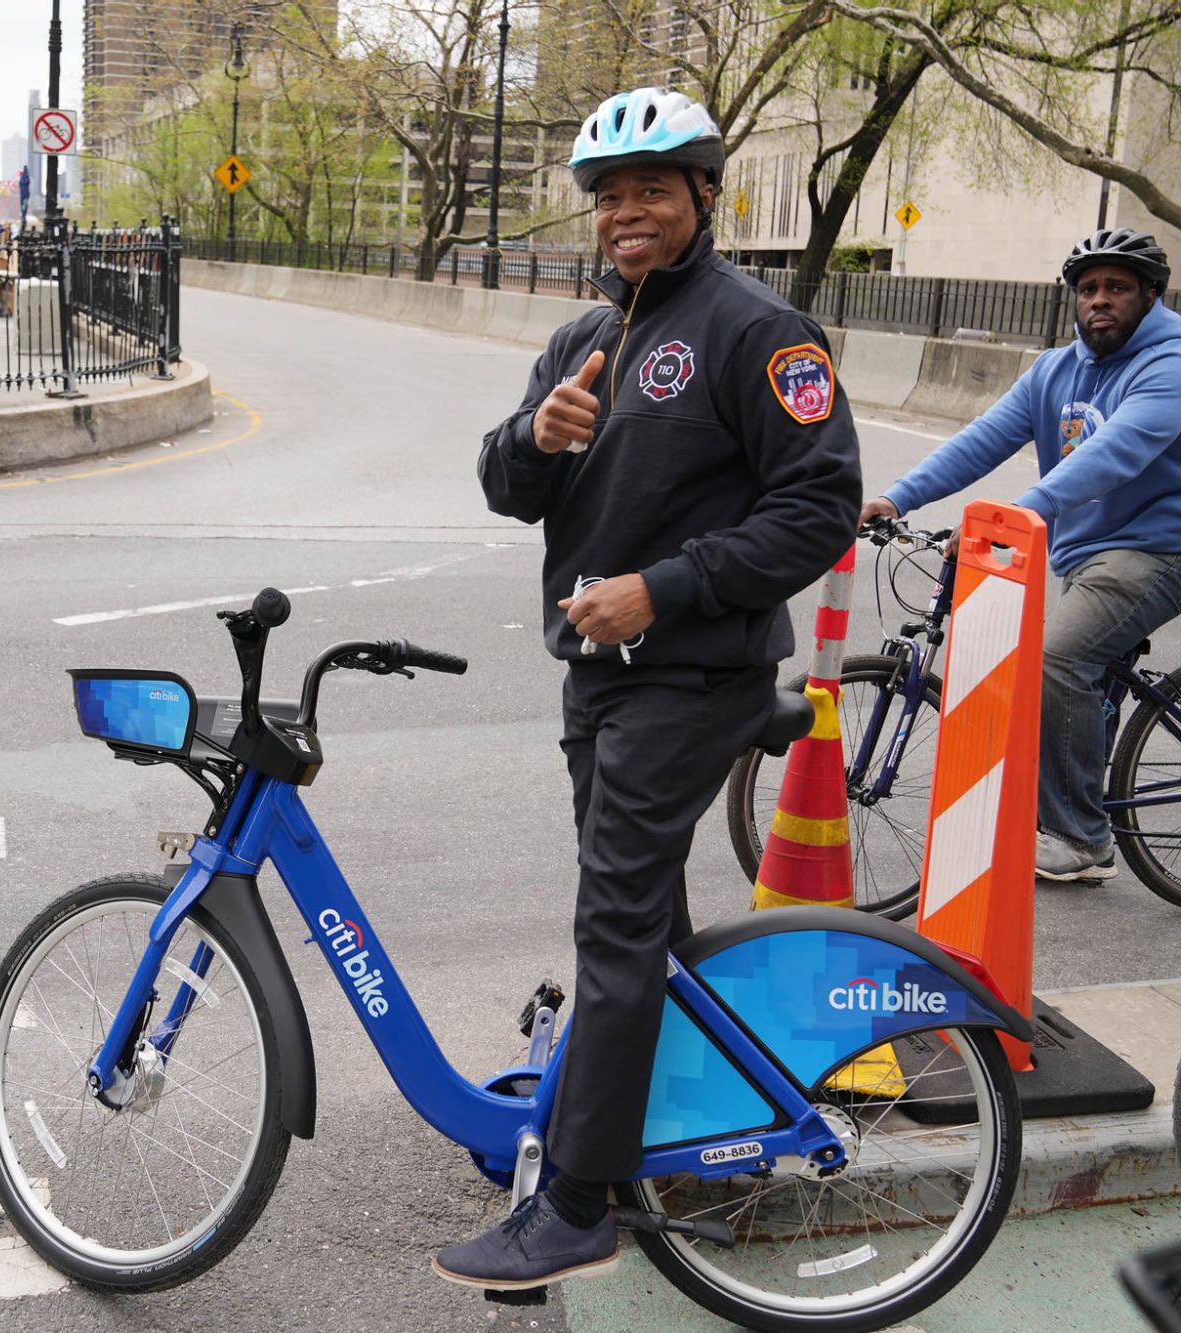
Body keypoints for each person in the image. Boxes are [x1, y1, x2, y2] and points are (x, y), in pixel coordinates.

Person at [456, 87, 861, 1292]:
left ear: (701, 197)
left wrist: (663, 588)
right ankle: (697, 1135)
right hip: (597, 677)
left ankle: (578, 1203)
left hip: (688, 675)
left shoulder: (756, 330)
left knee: (613, 926)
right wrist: (539, 434)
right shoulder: (584, 333)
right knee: (655, 933)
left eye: (652, 189)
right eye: (610, 195)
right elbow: (501, 486)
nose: (626, 212)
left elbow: (818, 508)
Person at [861, 229, 1181, 882]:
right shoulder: (1053, 371)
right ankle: (1079, 796)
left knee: (1057, 658)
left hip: (1158, 550)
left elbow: (1112, 452)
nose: (1100, 300)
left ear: (1151, 295)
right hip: (1084, 555)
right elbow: (981, 441)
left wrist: (1021, 514)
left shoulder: (1170, 364)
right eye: (1088, 288)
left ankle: (1082, 838)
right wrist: (897, 498)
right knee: (1081, 676)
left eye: (1117, 287)